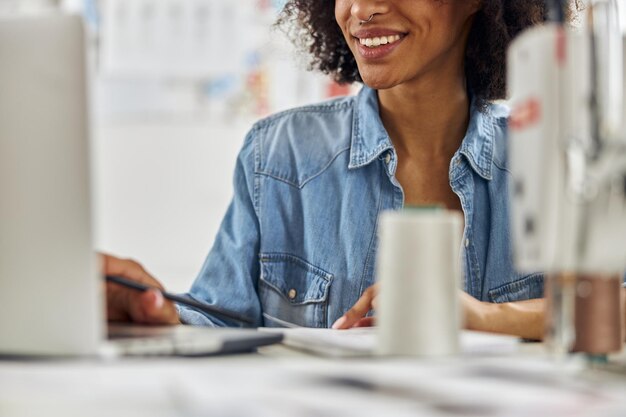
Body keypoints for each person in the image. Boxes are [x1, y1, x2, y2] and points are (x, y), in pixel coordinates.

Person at [104, 0, 565, 340]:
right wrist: (142, 315)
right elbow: (218, 325)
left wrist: (484, 318)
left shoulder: (551, 160)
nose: (362, 9)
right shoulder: (278, 156)